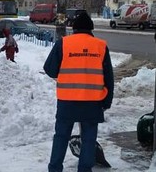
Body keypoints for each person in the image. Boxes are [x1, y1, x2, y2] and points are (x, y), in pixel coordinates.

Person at [43, 12, 114, 172]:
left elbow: (50, 69)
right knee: (88, 139)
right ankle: (84, 169)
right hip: (93, 102)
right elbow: (109, 77)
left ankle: (54, 168)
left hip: (67, 102)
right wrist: (107, 101)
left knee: (61, 136)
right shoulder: (101, 46)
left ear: (74, 29)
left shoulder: (64, 43)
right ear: (91, 28)